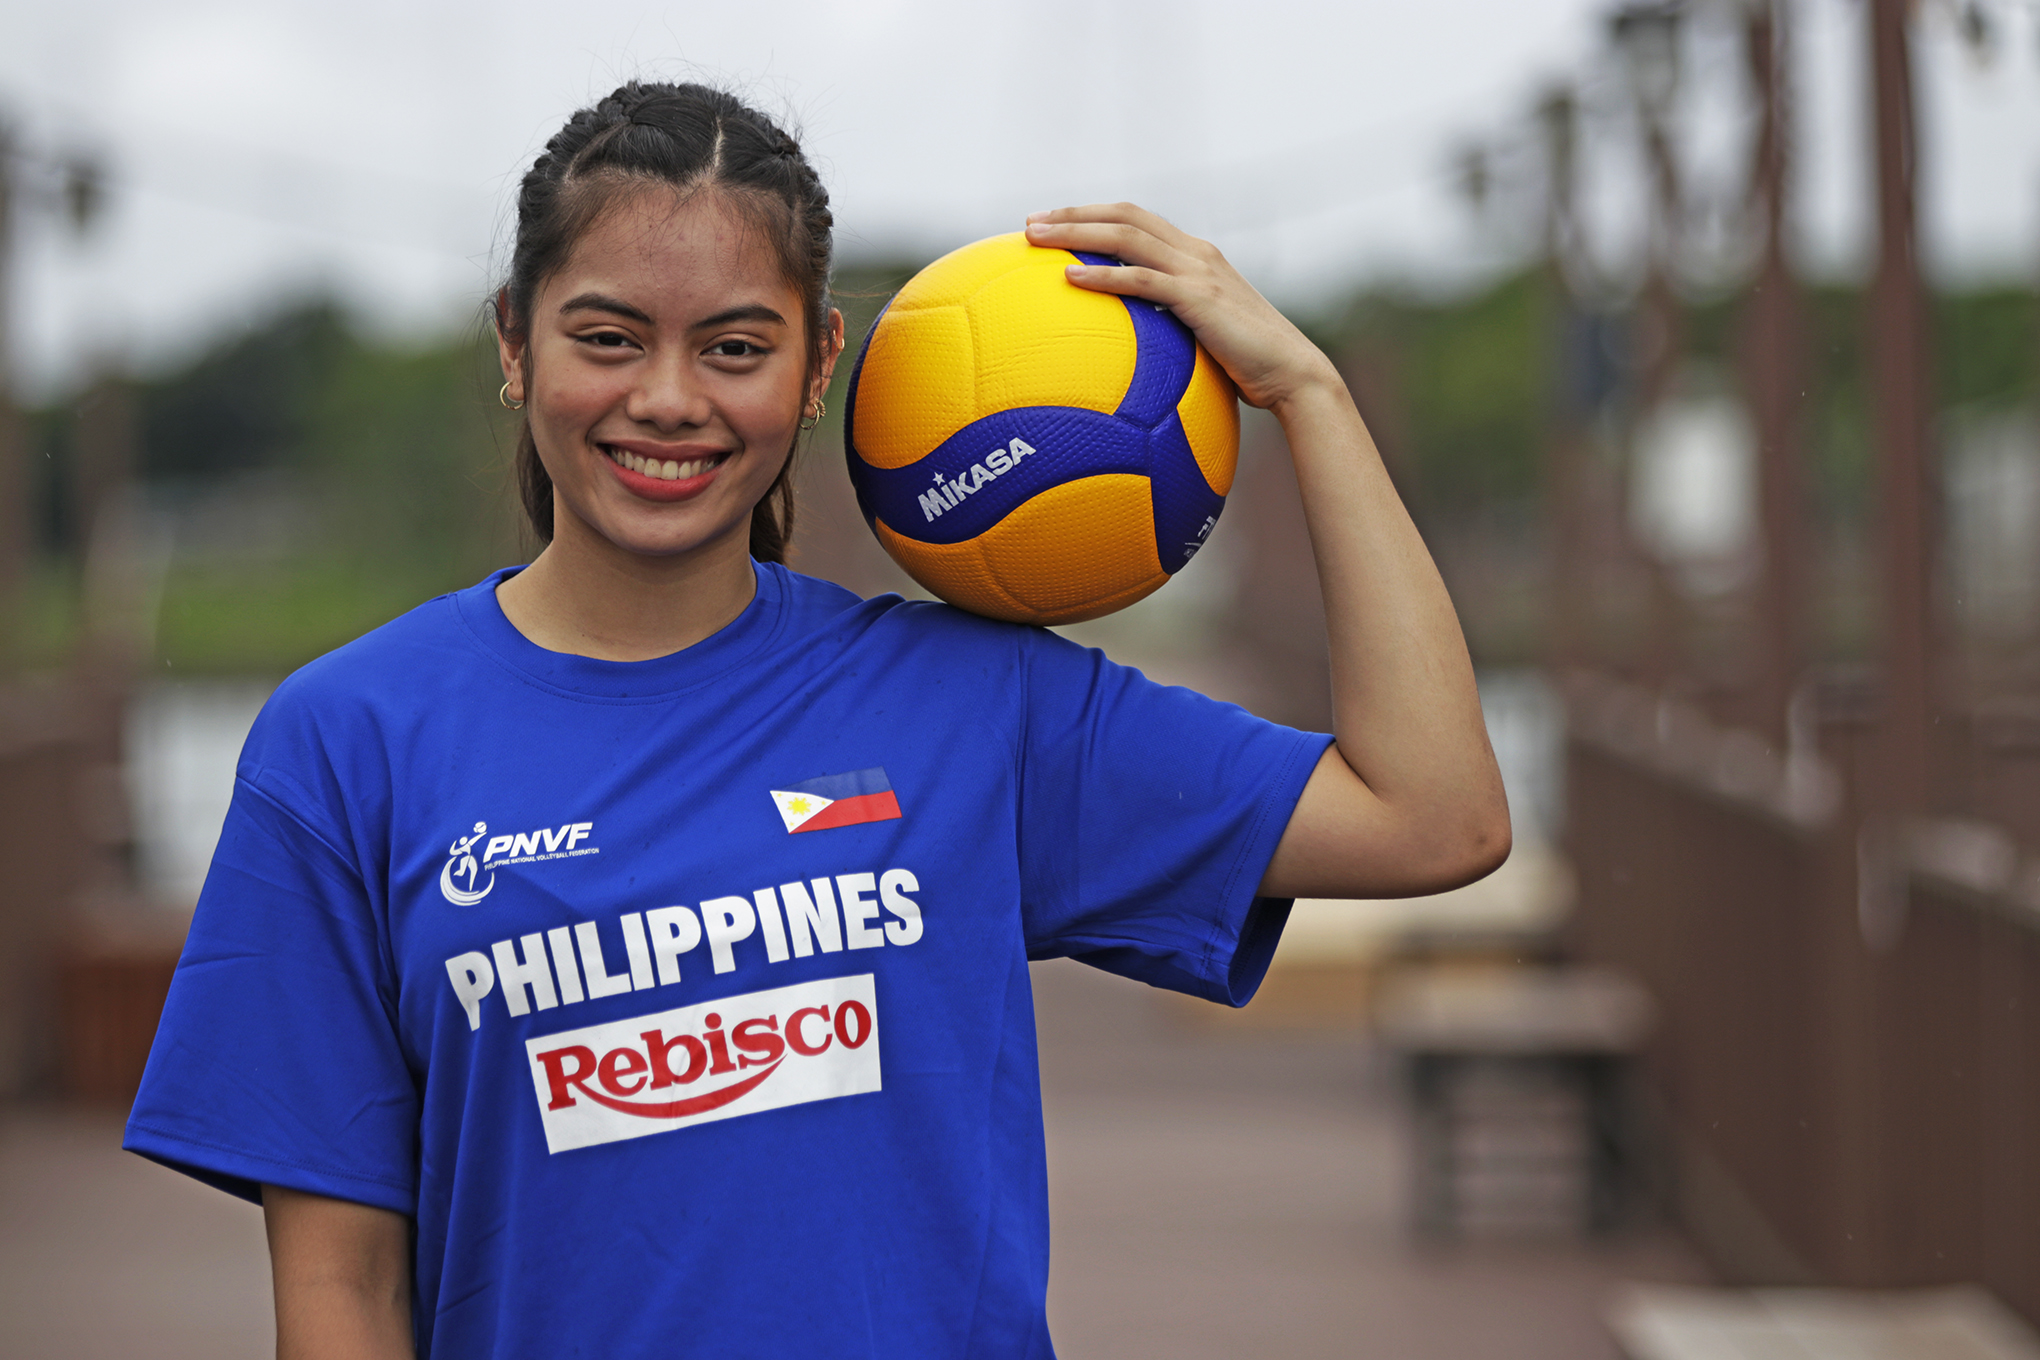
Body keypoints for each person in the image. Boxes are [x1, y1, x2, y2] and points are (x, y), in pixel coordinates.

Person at [125, 81, 1508, 1359]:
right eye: (608, 338)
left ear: (820, 361)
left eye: (734, 347)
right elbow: (341, 1283)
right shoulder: (348, 743)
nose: (667, 400)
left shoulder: (970, 707)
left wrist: (1308, 398)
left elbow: (1432, 815)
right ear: (512, 337)